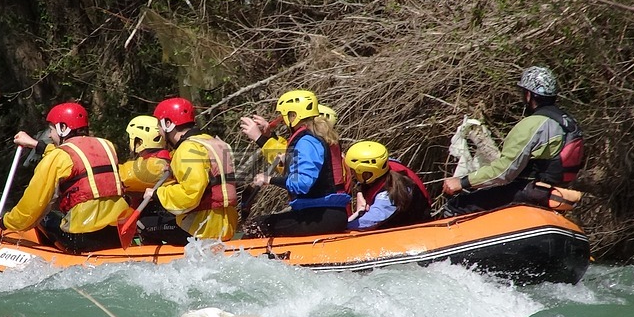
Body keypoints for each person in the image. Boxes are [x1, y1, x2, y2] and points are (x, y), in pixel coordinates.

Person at [0, 102, 131, 253]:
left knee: (43, 216)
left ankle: (51, 256)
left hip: (81, 239)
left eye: (51, 130)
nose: (50, 135)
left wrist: (4, 223)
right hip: (117, 234)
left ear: (63, 128)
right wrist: (35, 144)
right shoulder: (107, 146)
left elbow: (31, 207)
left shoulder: (58, 157)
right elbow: (73, 158)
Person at [442, 66, 585, 215]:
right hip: (554, 193)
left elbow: (504, 172)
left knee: (458, 205)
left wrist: (462, 182)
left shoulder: (533, 124)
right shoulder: (569, 123)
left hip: (529, 192)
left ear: (529, 95)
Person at [246, 90, 351, 237]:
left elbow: (302, 184)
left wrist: (269, 179)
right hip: (326, 213)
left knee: (255, 226)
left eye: (284, 116)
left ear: (293, 116)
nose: (283, 121)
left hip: (321, 215)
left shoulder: (306, 141)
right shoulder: (313, 137)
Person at [143, 97, 239, 243]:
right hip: (227, 225)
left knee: (144, 223)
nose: (159, 131)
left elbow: (190, 194)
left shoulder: (187, 149)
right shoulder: (213, 142)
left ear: (168, 124)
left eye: (159, 125)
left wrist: (157, 193)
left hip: (203, 228)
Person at [118, 115, 183, 245]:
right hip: (170, 218)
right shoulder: (166, 157)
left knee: (142, 223)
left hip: (167, 220)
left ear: (139, 141)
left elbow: (117, 176)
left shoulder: (153, 164)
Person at [343, 141, 431, 230]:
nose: (352, 174)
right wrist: (359, 192)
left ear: (367, 174)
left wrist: (342, 227)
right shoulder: (383, 169)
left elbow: (371, 220)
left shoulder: (391, 190)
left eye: (354, 171)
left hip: (414, 231)